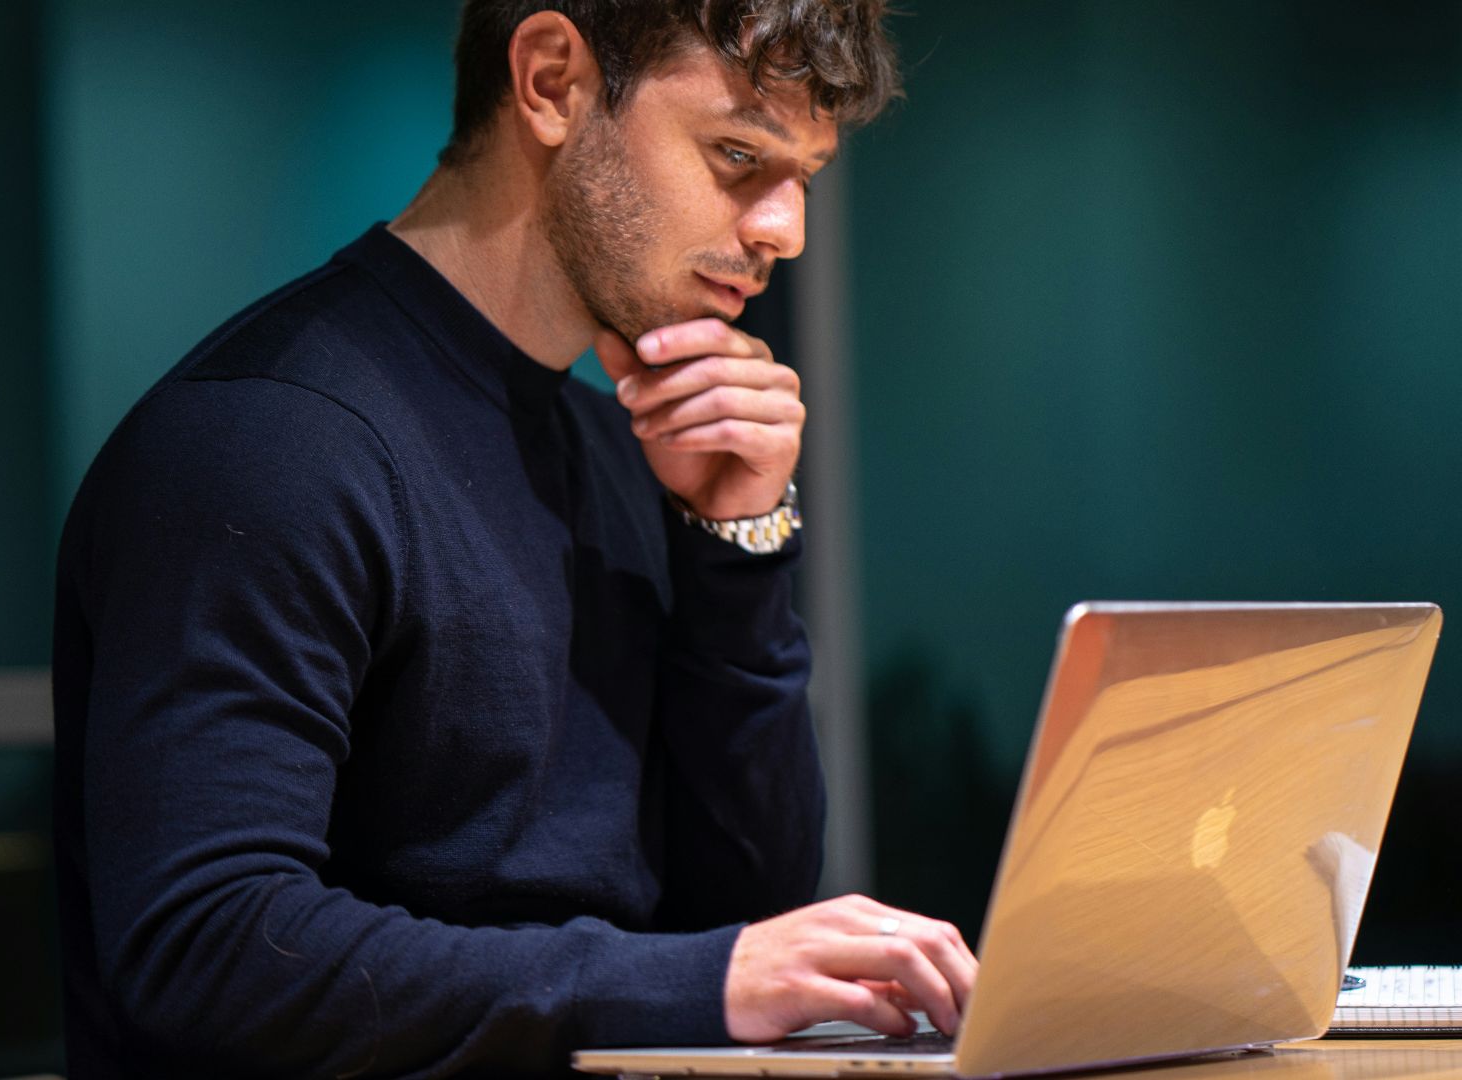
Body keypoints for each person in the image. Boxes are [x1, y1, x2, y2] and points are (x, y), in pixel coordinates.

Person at [51, 1, 977, 1075]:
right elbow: (204, 947)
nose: (785, 230)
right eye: (736, 154)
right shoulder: (269, 439)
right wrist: (685, 981)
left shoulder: (620, 448)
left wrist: (735, 539)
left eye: (802, 176)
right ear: (548, 80)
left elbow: (745, 913)